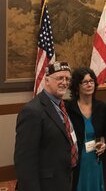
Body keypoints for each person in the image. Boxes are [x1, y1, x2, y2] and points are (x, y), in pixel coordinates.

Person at [14, 61, 77, 191]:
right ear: (47, 80)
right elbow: (24, 162)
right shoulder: (32, 111)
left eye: (67, 79)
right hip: (45, 185)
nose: (65, 82)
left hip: (63, 180)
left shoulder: (63, 106)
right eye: (60, 78)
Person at [66, 67, 106, 191]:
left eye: (91, 81)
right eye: (85, 82)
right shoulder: (69, 108)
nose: (89, 84)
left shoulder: (101, 107)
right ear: (77, 86)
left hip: (95, 159)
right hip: (77, 160)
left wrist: (104, 143)